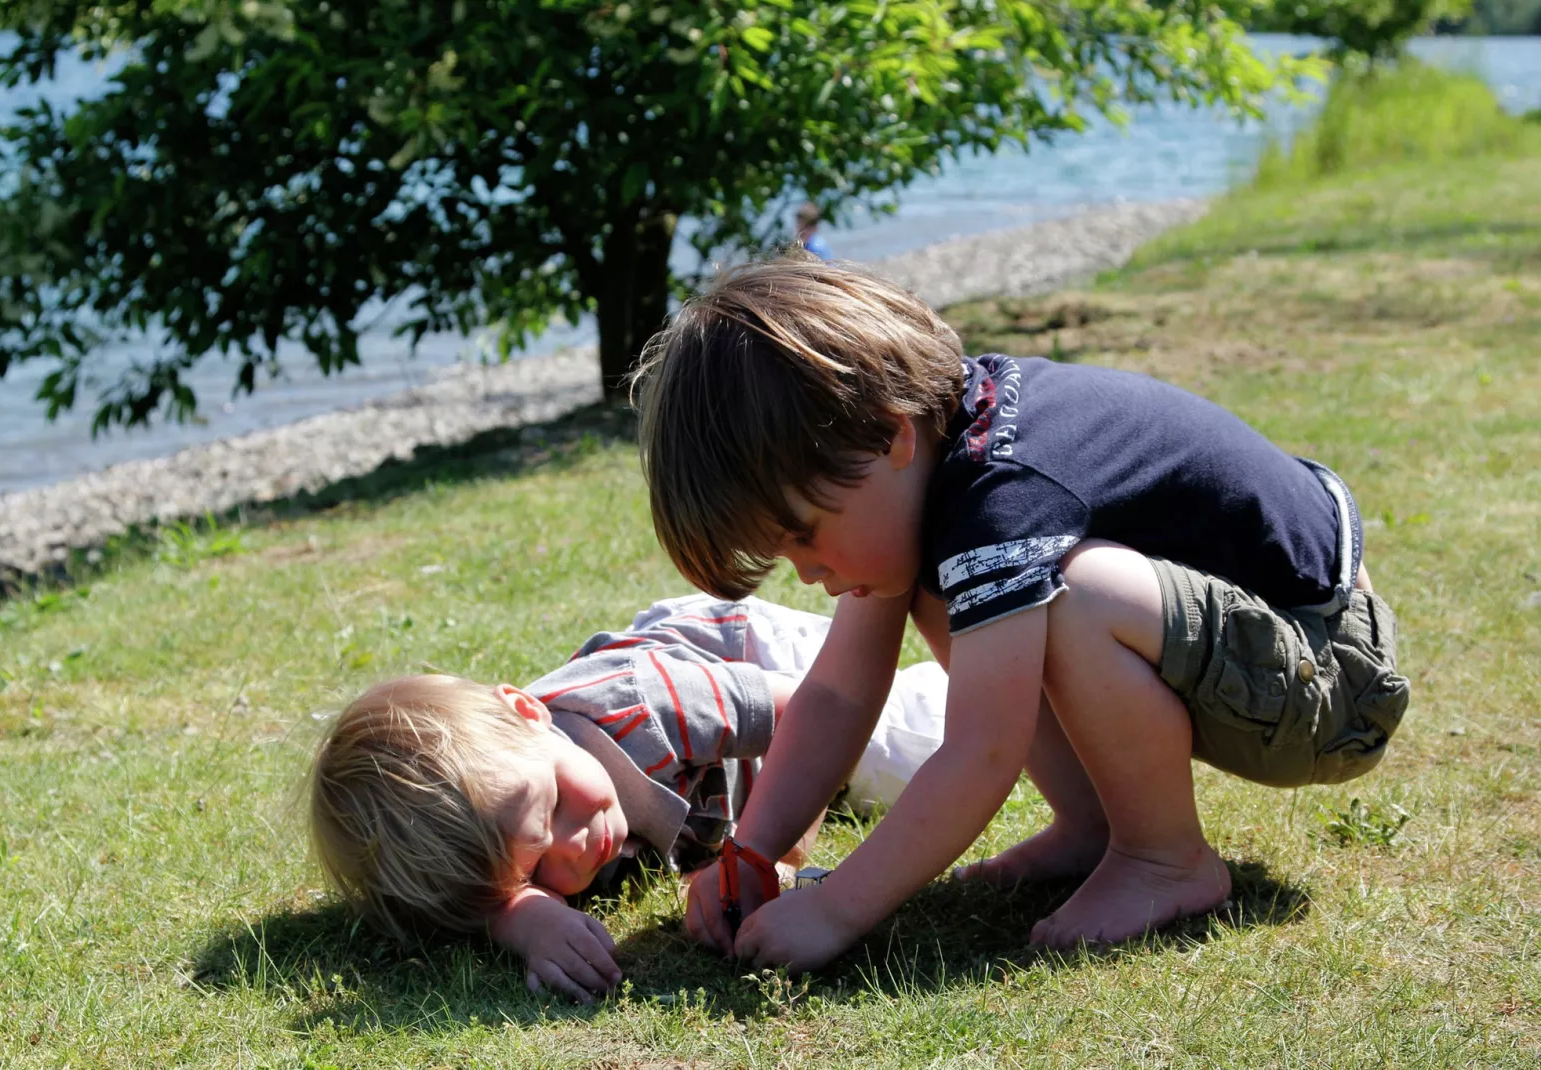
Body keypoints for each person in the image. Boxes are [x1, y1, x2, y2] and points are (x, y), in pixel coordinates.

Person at [632, 256, 1410, 973]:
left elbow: (981, 752)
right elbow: (838, 694)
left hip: (1331, 676)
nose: (809, 574)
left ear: (888, 437)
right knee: (962, 589)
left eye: (805, 535)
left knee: (1069, 595)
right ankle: (1093, 829)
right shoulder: (935, 461)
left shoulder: (1003, 498)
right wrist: (754, 852)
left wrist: (836, 910)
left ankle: (1165, 858)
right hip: (1260, 653)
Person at [308, 594, 945, 1002]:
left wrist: (760, 856)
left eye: (554, 806)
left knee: (919, 748)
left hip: (760, 663)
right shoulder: (499, 811)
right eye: (532, 872)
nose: (574, 853)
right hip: (730, 738)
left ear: (531, 712)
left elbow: (809, 718)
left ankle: (1008, 648)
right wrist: (518, 914)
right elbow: (455, 904)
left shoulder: (642, 706)